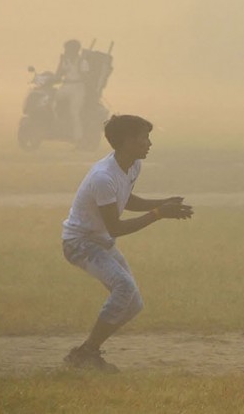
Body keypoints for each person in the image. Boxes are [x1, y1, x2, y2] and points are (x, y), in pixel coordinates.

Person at [61, 114, 192, 372]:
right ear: (126, 142)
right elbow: (116, 227)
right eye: (144, 138)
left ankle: (87, 351)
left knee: (133, 304)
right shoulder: (103, 176)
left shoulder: (132, 165)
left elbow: (125, 199)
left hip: (100, 241)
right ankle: (86, 353)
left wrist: (161, 202)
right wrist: (158, 214)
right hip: (81, 243)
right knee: (123, 287)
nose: (149, 143)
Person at [56, 39, 90, 147]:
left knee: (74, 112)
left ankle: (78, 138)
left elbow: (86, 77)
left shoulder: (82, 62)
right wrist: (61, 62)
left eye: (67, 49)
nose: (65, 51)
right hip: (65, 86)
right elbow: (59, 74)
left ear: (74, 50)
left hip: (78, 88)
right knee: (51, 102)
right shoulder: (65, 60)